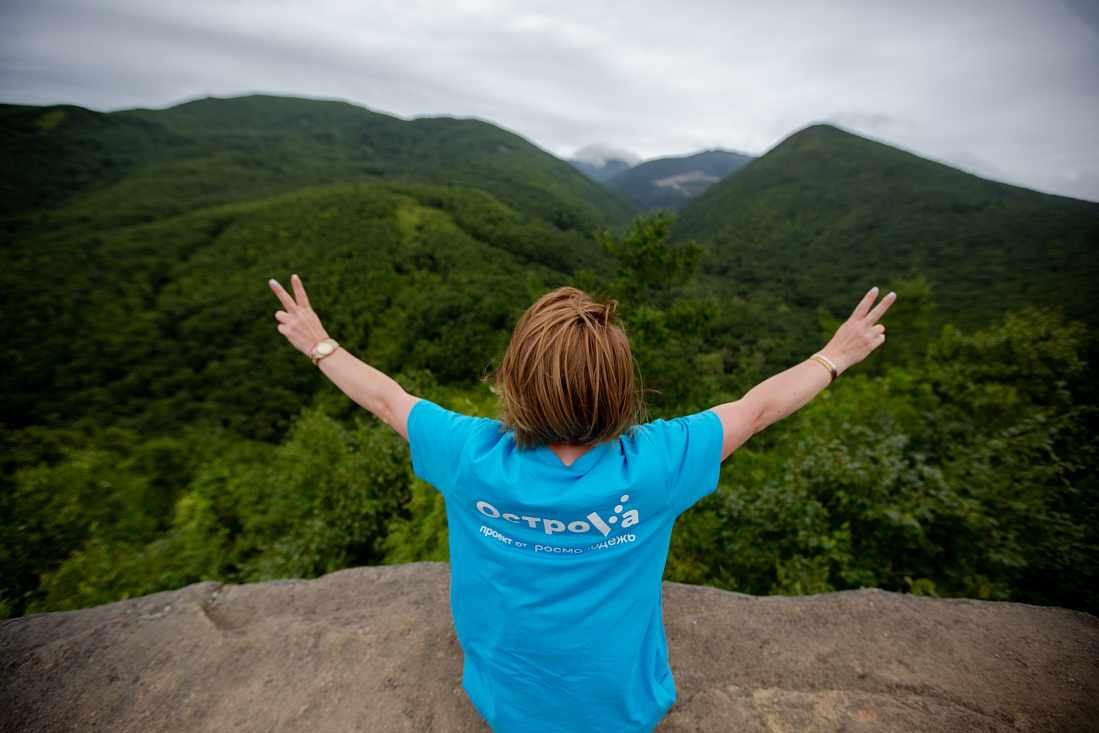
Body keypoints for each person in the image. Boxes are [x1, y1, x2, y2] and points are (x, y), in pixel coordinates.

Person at [269, 274, 895, 733]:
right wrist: (835, 355)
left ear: (513, 380)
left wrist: (319, 344)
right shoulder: (656, 465)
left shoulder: (471, 457)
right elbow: (757, 410)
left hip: (506, 707)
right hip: (624, 710)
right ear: (621, 390)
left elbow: (386, 399)